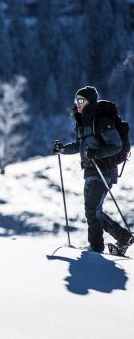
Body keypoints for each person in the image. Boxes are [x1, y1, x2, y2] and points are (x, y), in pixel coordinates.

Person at [54, 86, 134, 254]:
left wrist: (96, 153)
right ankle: (117, 239)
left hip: (104, 170)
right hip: (90, 171)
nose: (78, 103)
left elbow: (117, 146)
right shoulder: (83, 120)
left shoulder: (101, 120)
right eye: (76, 100)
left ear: (90, 101)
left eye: (81, 100)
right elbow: (79, 145)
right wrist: (62, 149)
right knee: (92, 210)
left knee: (92, 210)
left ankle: (99, 246)